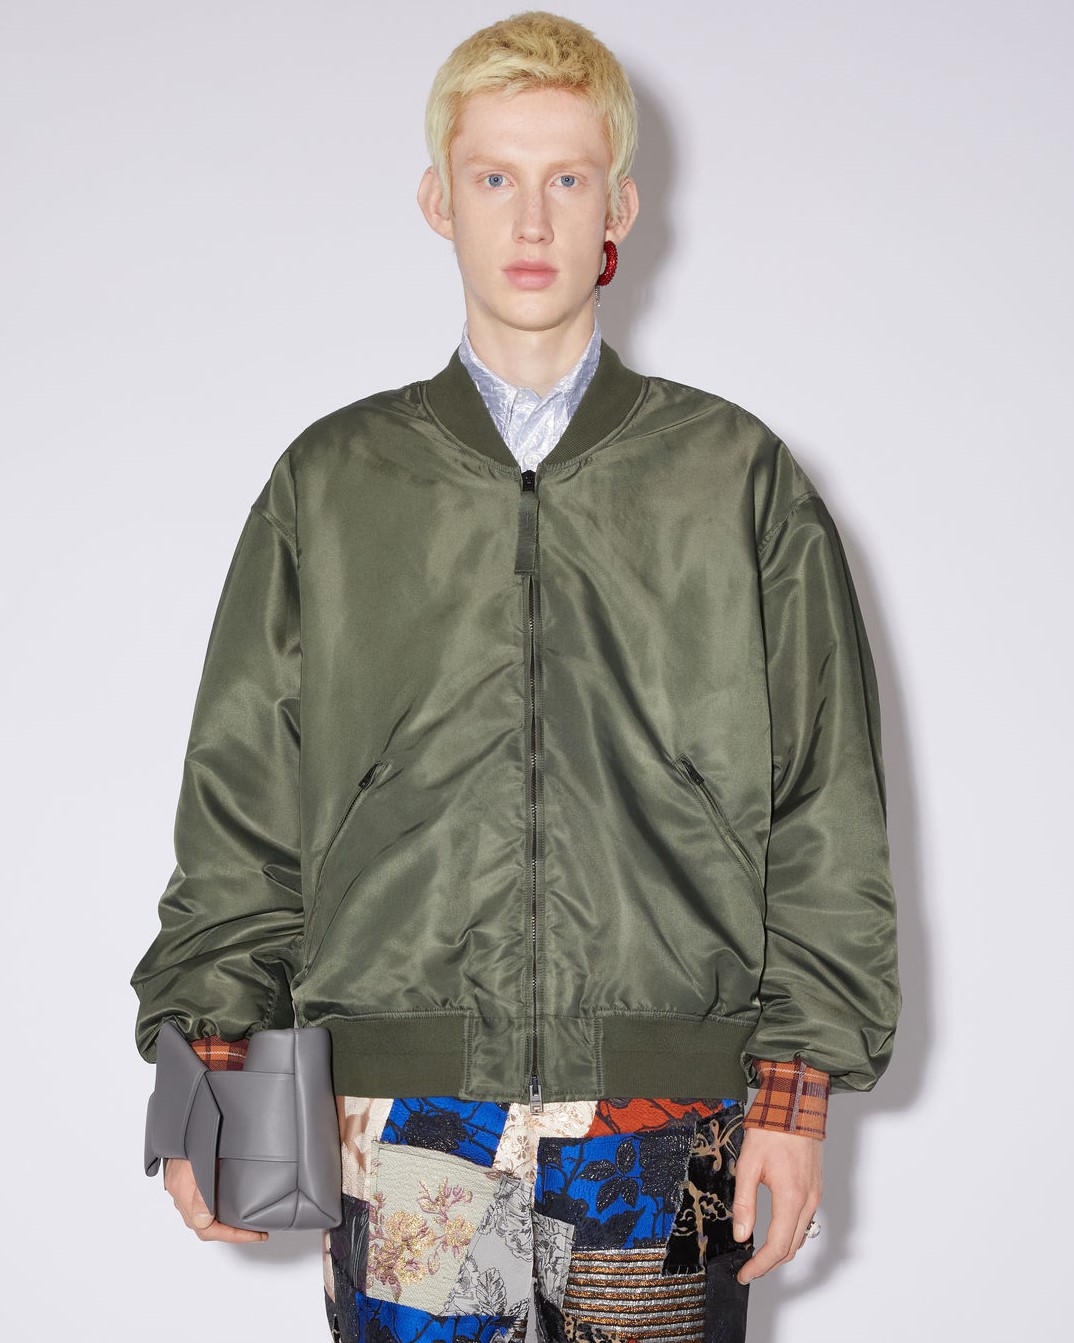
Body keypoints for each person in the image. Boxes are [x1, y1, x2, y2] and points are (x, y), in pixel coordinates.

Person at [132, 12, 900, 1343]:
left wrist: (794, 1094)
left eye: (566, 177)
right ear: (439, 200)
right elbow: (244, 799)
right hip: (403, 1117)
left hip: (659, 1117)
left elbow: (824, 804)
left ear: (619, 205)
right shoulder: (336, 484)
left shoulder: (734, 479)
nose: (531, 219)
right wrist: (204, 1064)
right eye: (493, 177)